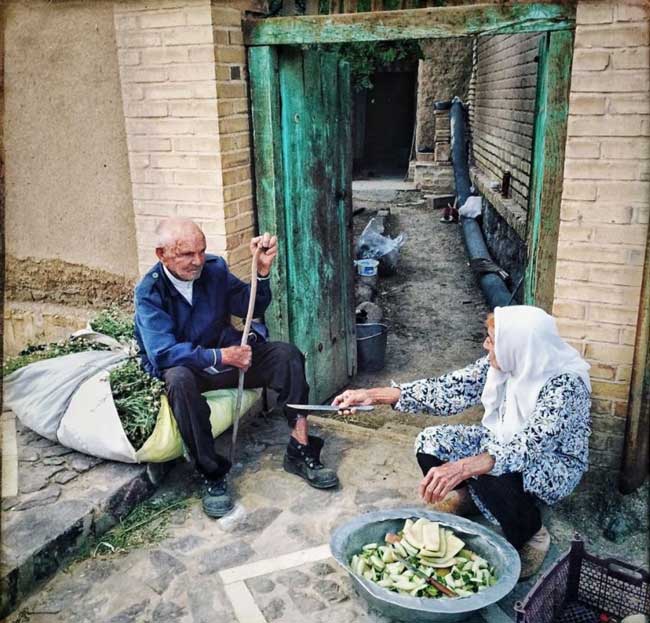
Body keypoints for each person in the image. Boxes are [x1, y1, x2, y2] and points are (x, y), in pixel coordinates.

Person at [333, 305, 591, 579]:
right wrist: (373, 395)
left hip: (551, 463)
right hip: (500, 441)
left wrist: (465, 467)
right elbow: (448, 389)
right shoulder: (506, 361)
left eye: (491, 340)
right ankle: (473, 499)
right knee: (430, 442)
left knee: (493, 470)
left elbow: (531, 445)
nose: (485, 345)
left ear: (518, 346)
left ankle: (532, 534)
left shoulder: (565, 385)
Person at [134, 218, 339, 518]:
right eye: (187, 255)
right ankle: (211, 473)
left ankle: (300, 448)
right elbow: (163, 353)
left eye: (201, 251)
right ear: (161, 254)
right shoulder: (149, 293)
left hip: (225, 361)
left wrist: (262, 271)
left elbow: (251, 306)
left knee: (287, 356)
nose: (198, 261)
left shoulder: (214, 270)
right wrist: (221, 357)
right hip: (189, 370)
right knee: (177, 379)